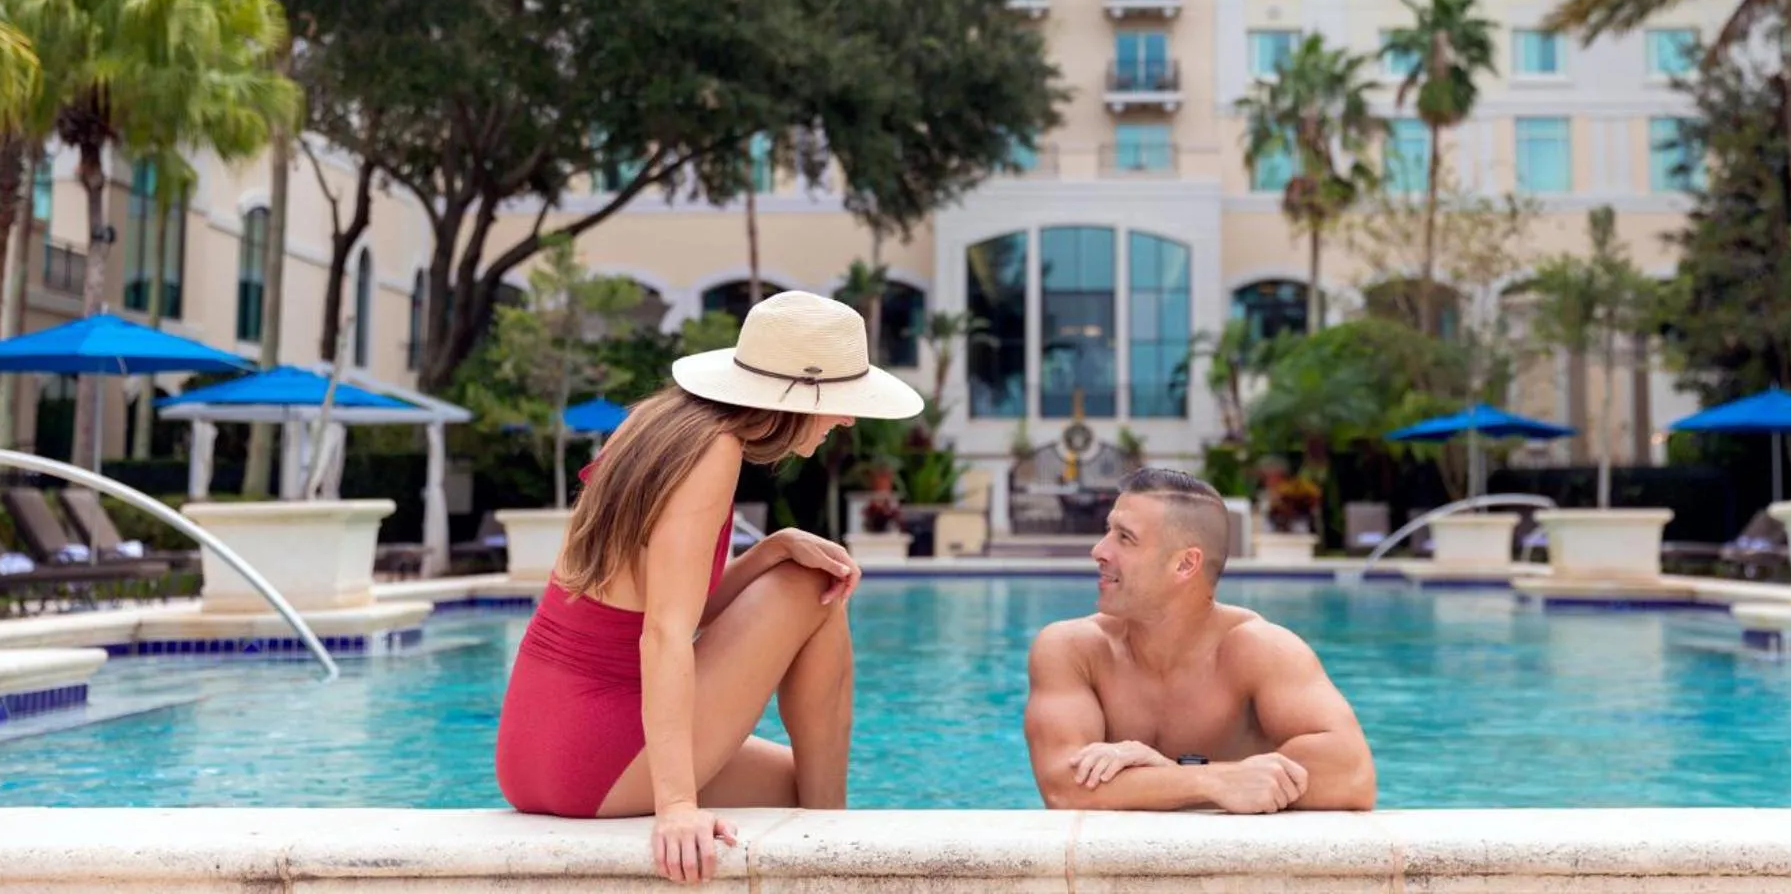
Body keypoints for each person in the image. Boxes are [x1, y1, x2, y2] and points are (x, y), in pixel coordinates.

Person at [496, 290, 923, 884]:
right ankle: (834, 849)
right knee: (811, 585)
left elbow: (657, 600)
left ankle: (826, 824)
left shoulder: (657, 426)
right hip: (596, 748)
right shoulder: (713, 452)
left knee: (794, 785)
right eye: (842, 402)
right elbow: (666, 634)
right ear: (796, 397)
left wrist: (771, 548)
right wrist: (676, 808)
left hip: (533, 747)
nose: (848, 419)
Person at [1023, 467, 1377, 813]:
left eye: (1124, 537)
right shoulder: (1073, 650)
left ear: (1185, 565)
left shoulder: (1259, 650)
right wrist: (1212, 781)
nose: (1099, 550)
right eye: (1108, 531)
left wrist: (1166, 779)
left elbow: (1352, 775)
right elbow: (1064, 789)